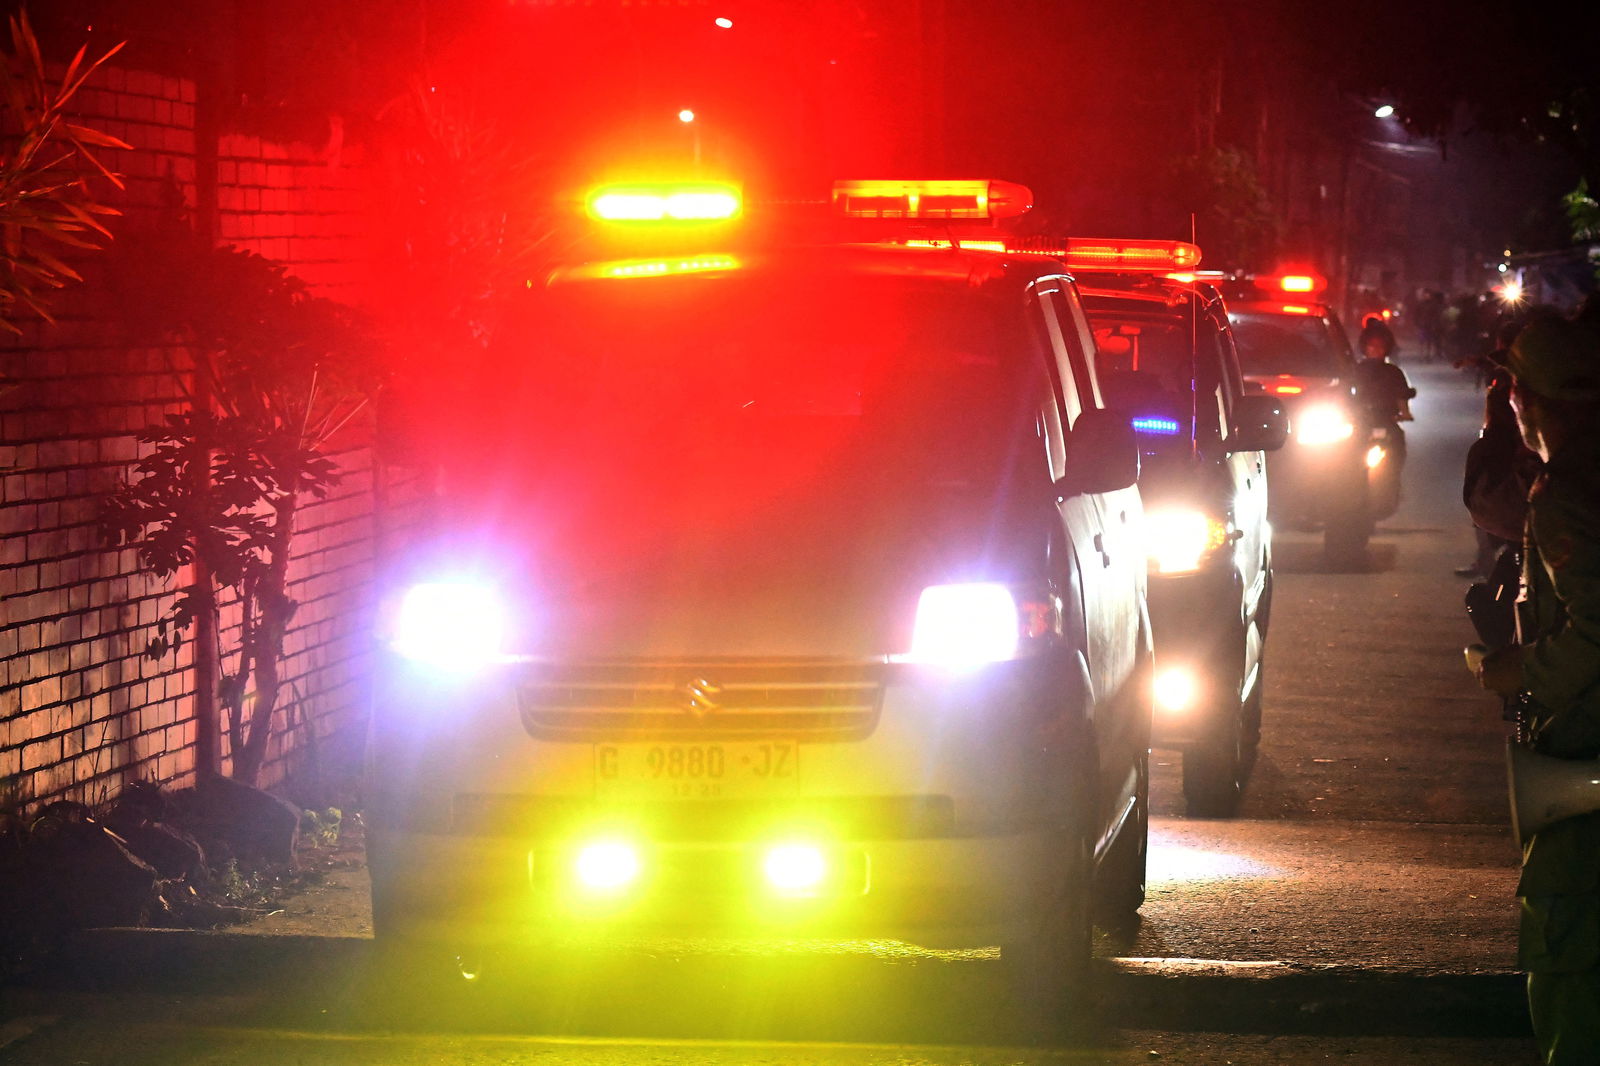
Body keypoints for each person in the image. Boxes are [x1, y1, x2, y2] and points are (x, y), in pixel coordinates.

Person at [1473, 313, 1600, 1065]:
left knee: (1565, 971)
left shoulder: (1569, 497)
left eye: (1512, 390)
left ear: (1535, 400)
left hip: (1586, 769)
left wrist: (1525, 671)